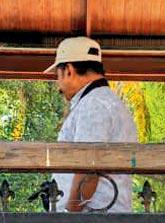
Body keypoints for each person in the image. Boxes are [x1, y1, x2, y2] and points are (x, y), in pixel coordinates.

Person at [46, 37, 138, 213]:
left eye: (56, 75)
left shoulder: (93, 105)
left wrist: (69, 219)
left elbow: (88, 169)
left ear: (69, 71)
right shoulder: (107, 101)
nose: (58, 85)